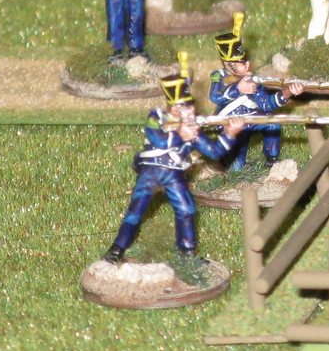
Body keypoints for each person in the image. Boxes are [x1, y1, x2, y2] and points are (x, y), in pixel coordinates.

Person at [103, 53, 245, 264]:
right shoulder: (157, 117)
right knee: (135, 212)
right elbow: (158, 140)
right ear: (173, 108)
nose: (188, 111)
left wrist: (230, 134)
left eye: (189, 106)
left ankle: (187, 255)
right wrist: (181, 134)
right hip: (151, 171)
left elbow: (214, 152)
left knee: (187, 210)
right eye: (182, 107)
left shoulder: (192, 127)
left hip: (174, 174)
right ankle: (116, 250)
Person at [209, 12, 304, 169]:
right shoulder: (218, 76)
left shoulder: (252, 79)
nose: (247, 66)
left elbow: (266, 105)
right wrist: (238, 89)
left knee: (273, 124)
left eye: (245, 62)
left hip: (251, 119)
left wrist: (287, 92)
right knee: (237, 166)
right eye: (241, 63)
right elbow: (215, 97)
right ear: (228, 64)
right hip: (230, 122)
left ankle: (271, 161)